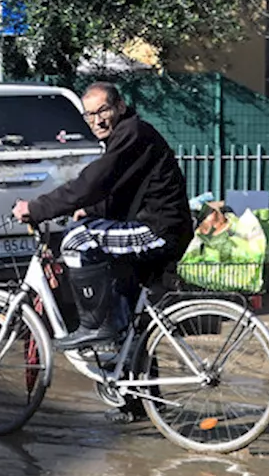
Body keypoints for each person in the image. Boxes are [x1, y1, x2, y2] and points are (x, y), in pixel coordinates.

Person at [12, 81, 193, 353]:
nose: (96, 121)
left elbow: (93, 182)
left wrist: (37, 208)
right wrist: (91, 210)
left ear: (120, 106)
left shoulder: (132, 133)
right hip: (156, 225)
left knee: (76, 241)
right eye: (89, 115)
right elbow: (119, 190)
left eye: (103, 111)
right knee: (125, 313)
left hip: (158, 230)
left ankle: (94, 327)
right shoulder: (126, 136)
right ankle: (125, 369)